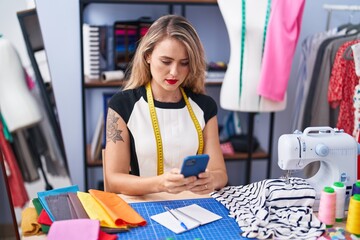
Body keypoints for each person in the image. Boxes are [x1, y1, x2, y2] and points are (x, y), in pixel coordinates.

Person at [104, 14, 228, 196]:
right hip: (144, 205)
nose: (174, 72)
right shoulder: (123, 105)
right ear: (147, 56)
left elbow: (220, 174)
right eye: (166, 61)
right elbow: (114, 180)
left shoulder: (205, 107)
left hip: (196, 205)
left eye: (184, 63)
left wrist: (212, 180)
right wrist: (160, 184)